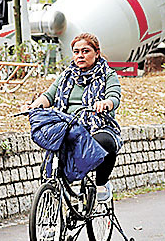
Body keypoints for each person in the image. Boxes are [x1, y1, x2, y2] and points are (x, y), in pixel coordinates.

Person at [24, 32, 121, 202]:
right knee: (54, 153)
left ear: (96, 53)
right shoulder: (66, 76)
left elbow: (114, 96)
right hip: (69, 125)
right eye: (76, 52)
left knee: (106, 143)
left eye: (85, 51)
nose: (80, 55)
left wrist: (105, 103)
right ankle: (56, 195)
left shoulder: (107, 74)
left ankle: (101, 184)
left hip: (97, 124)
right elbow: (49, 96)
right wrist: (33, 106)